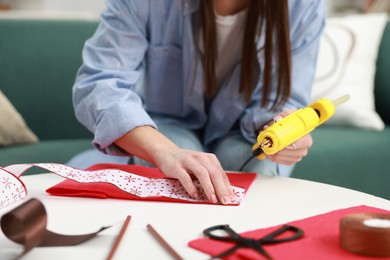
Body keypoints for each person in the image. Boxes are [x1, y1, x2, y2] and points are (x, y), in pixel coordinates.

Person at [70, 0, 326, 205]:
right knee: (176, 173)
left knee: (259, 166)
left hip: (248, 133)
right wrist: (165, 151)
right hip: (165, 128)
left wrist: (283, 127)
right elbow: (99, 82)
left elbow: (286, 97)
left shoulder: (305, 5)